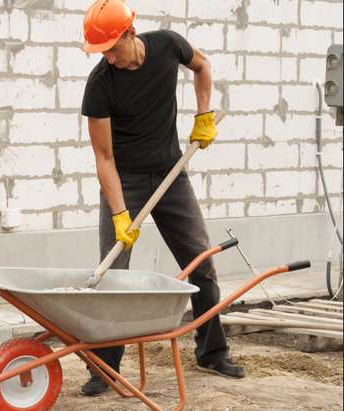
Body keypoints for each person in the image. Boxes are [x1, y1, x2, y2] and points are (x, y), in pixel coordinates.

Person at [79, 0, 246, 396]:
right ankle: (105, 368)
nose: (109, 57)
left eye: (112, 48)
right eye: (101, 52)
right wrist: (120, 213)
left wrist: (202, 115)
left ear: (130, 33)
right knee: (114, 273)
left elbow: (202, 65)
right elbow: (103, 158)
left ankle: (212, 352)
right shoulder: (101, 83)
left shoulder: (168, 46)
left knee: (200, 262)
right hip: (127, 182)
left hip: (172, 175)